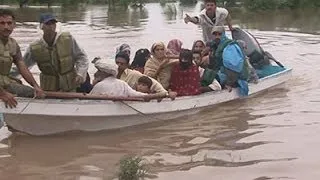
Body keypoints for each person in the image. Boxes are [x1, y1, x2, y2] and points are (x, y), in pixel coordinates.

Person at [24, 13, 89, 92]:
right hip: (49, 90)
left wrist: (80, 74)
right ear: (41, 27)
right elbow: (23, 66)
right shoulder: (34, 47)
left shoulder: (68, 39)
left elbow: (81, 57)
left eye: (53, 23)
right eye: (47, 24)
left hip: (70, 88)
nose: (51, 26)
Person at [0, 9, 44, 107]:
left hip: (5, 83)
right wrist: (2, 94)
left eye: (9, 23)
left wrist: (36, 86)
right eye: (2, 23)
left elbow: (22, 67)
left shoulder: (13, 44)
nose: (6, 27)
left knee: (33, 93)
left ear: (14, 25)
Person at [208, 26, 249, 96]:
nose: (217, 37)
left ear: (224, 34)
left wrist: (228, 83)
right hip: (223, 72)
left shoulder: (229, 47)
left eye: (219, 34)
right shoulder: (214, 46)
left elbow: (234, 67)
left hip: (237, 76)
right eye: (215, 34)